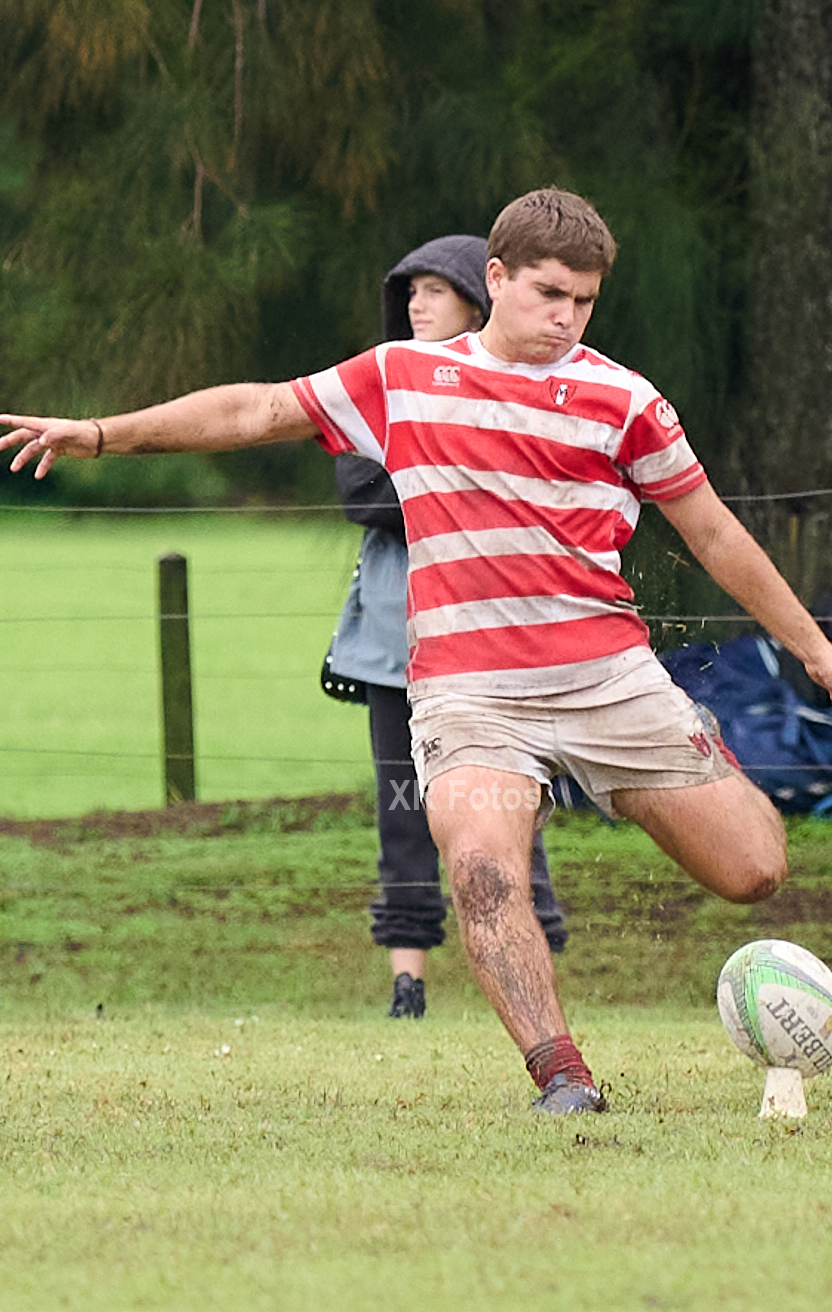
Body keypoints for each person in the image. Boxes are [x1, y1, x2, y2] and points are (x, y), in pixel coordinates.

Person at [0, 187, 832, 1115]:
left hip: (608, 676)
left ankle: (624, 777)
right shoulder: (403, 377)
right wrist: (102, 435)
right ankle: (563, 1080)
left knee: (754, 871)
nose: (568, 318)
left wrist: (817, 653)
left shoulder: (625, 401)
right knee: (480, 866)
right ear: (497, 278)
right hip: (469, 694)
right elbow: (253, 412)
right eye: (550, 294)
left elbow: (714, 537)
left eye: (586, 301)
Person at [325, 234, 570, 1021]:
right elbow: (362, 492)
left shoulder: (521, 383)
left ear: (476, 299)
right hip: (395, 646)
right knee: (403, 805)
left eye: (433, 290)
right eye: (410, 291)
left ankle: (534, 967)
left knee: (507, 803)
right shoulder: (384, 382)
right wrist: (458, 487)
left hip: (495, 639)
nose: (415, 305)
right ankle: (409, 982)